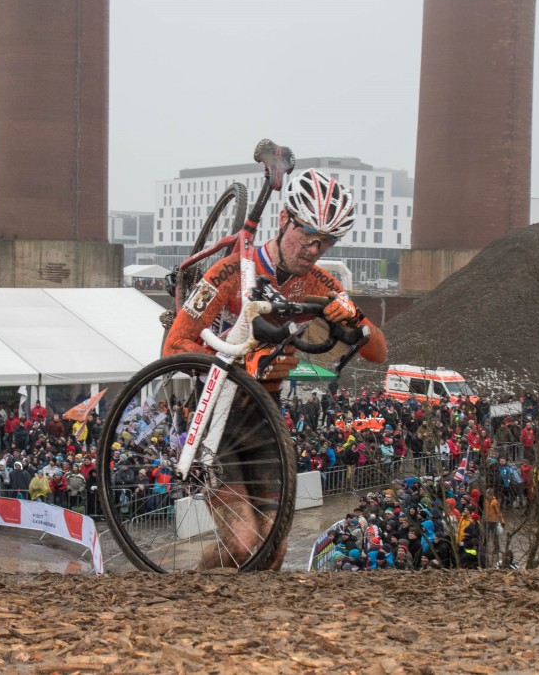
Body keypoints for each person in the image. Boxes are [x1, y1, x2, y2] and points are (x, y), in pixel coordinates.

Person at [163, 168, 387, 570]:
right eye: (307, 236)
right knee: (244, 540)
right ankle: (190, 597)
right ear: (284, 220)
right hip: (218, 412)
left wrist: (353, 317)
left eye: (326, 241)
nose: (314, 249)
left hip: (265, 415)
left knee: (274, 551)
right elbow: (174, 345)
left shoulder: (320, 282)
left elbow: (378, 352)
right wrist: (243, 360)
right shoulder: (231, 272)